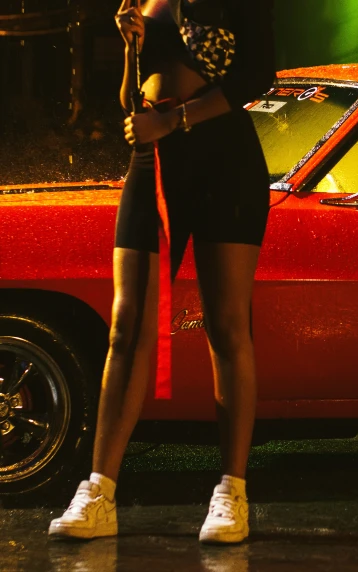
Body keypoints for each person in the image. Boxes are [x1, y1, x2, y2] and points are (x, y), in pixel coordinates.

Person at [48, 0, 275, 544]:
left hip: (225, 159)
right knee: (128, 325)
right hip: (154, 159)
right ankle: (99, 492)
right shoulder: (146, 0)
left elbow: (256, 73)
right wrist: (129, 44)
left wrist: (173, 119)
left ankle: (231, 494)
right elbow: (130, 100)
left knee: (225, 324)